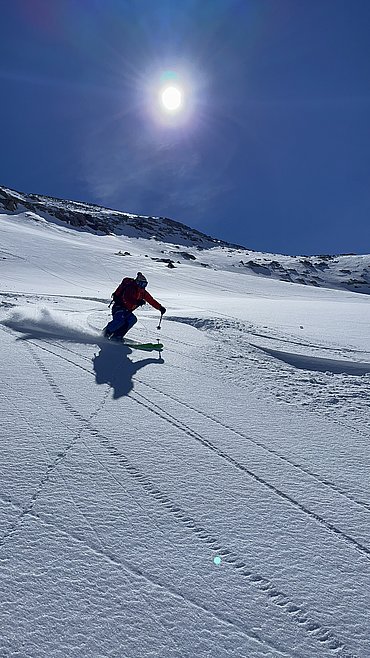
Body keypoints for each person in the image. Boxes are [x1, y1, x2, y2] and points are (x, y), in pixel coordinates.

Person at [103, 272, 166, 340]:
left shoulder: (143, 292)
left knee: (132, 319)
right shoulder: (131, 288)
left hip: (127, 310)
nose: (143, 286)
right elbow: (126, 298)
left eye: (145, 284)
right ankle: (106, 333)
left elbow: (151, 300)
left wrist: (160, 308)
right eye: (141, 284)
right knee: (120, 320)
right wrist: (137, 302)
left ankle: (117, 335)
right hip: (119, 307)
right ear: (137, 282)